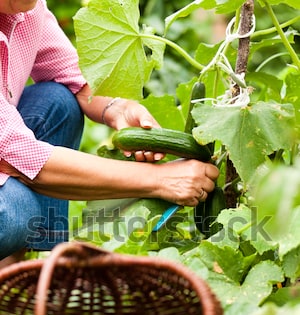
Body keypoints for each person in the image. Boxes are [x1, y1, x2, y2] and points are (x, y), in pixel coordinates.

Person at [0, 0, 219, 268]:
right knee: (20, 209)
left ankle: (22, 276)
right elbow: (14, 156)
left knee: (56, 101)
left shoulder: (26, 7)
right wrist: (161, 179)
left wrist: (118, 109)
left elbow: (71, 76)